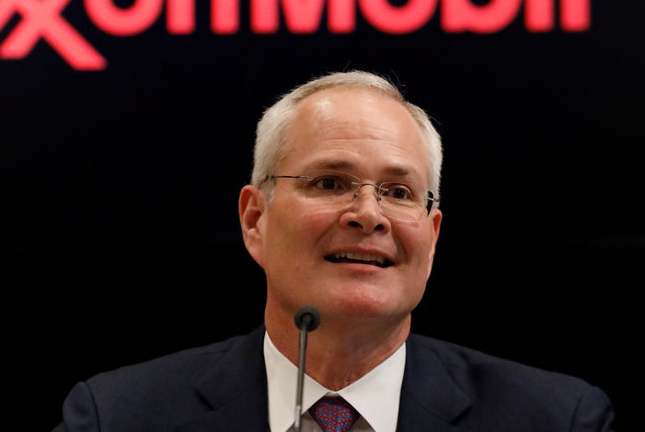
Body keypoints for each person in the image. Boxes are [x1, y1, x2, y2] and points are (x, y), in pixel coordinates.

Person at [53, 71, 615, 431]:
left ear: (433, 234)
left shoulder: (557, 419)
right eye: (329, 183)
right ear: (255, 219)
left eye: (398, 193)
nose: (368, 215)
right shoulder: (117, 417)